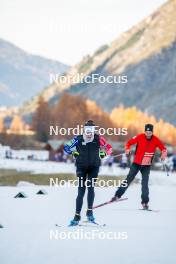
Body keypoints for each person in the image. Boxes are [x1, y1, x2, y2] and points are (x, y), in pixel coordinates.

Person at [64, 120, 112, 226]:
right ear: (84, 130)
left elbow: (109, 148)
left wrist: (103, 153)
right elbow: (66, 147)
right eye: (87, 130)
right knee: (81, 191)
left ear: (94, 130)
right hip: (81, 167)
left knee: (91, 187)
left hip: (94, 167)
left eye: (92, 130)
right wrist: (74, 153)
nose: (90, 132)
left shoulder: (98, 139)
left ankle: (89, 212)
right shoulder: (78, 138)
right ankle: (77, 216)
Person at [111, 124, 167, 209]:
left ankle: (145, 202)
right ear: (145, 131)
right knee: (128, 179)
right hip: (136, 163)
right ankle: (117, 196)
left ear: (152, 132)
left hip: (146, 165)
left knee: (145, 184)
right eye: (146, 131)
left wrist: (163, 154)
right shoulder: (140, 137)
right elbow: (129, 143)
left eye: (150, 132)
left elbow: (163, 148)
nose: (148, 133)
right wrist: (127, 149)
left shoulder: (155, 140)